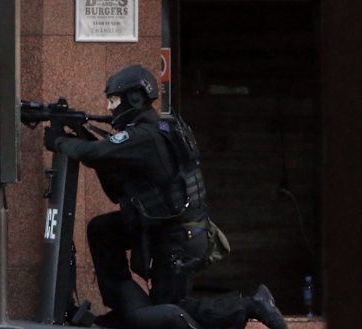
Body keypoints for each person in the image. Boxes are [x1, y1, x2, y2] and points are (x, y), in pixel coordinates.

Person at [43, 64, 287, 329]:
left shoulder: (144, 136)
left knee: (172, 307)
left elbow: (98, 154)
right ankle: (124, 308)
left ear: (135, 99)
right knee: (103, 230)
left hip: (178, 237)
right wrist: (80, 132)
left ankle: (252, 304)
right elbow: (110, 166)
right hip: (165, 228)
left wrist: (58, 141)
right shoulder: (157, 127)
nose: (110, 107)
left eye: (114, 100)